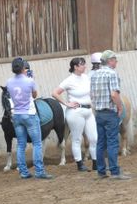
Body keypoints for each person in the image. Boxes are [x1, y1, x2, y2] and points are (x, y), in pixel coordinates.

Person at [6, 57, 53, 180]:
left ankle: (23, 172)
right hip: (29, 114)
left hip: (16, 115)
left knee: (21, 145)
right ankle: (39, 171)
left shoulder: (9, 82)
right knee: (37, 143)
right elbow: (35, 95)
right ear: (23, 68)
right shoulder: (29, 81)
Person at [90, 50, 130, 180]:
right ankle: (114, 171)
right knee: (112, 142)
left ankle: (101, 171)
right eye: (115, 60)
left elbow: (92, 94)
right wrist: (120, 106)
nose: (116, 62)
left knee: (100, 143)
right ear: (110, 61)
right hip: (110, 112)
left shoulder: (94, 75)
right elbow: (114, 94)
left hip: (99, 113)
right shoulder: (112, 74)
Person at [52, 57, 97, 172]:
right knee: (77, 139)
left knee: (94, 138)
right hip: (76, 112)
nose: (85, 66)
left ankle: (96, 162)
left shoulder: (86, 77)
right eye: (82, 64)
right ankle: (80, 164)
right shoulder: (69, 80)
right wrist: (66, 103)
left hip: (88, 111)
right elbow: (55, 93)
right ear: (75, 67)